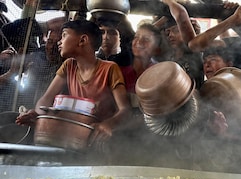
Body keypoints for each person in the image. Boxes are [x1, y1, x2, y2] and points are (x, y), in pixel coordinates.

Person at [16, 20, 132, 150]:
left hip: (98, 141)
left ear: (82, 40)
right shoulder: (69, 65)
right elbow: (46, 99)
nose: (60, 41)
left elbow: (125, 110)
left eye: (64, 35)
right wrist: (38, 115)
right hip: (70, 136)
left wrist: (108, 124)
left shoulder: (109, 68)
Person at [156, 0, 204, 89]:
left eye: (176, 30)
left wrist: (168, 2)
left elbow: (181, 14)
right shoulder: (168, 58)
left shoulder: (193, 51)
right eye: (167, 33)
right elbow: (149, 32)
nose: (171, 35)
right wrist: (166, 16)